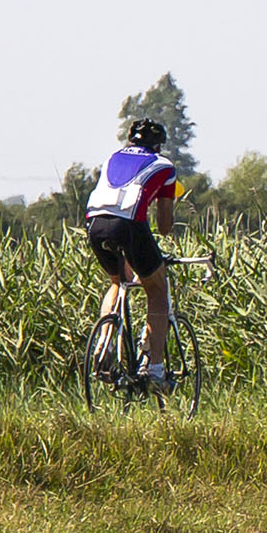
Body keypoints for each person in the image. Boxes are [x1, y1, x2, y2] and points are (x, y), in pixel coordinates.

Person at [84, 118, 178, 390]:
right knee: (157, 290)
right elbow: (164, 226)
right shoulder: (164, 166)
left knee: (118, 281)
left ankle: (104, 344)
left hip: (95, 222)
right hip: (128, 224)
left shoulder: (111, 158)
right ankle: (156, 370)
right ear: (158, 145)